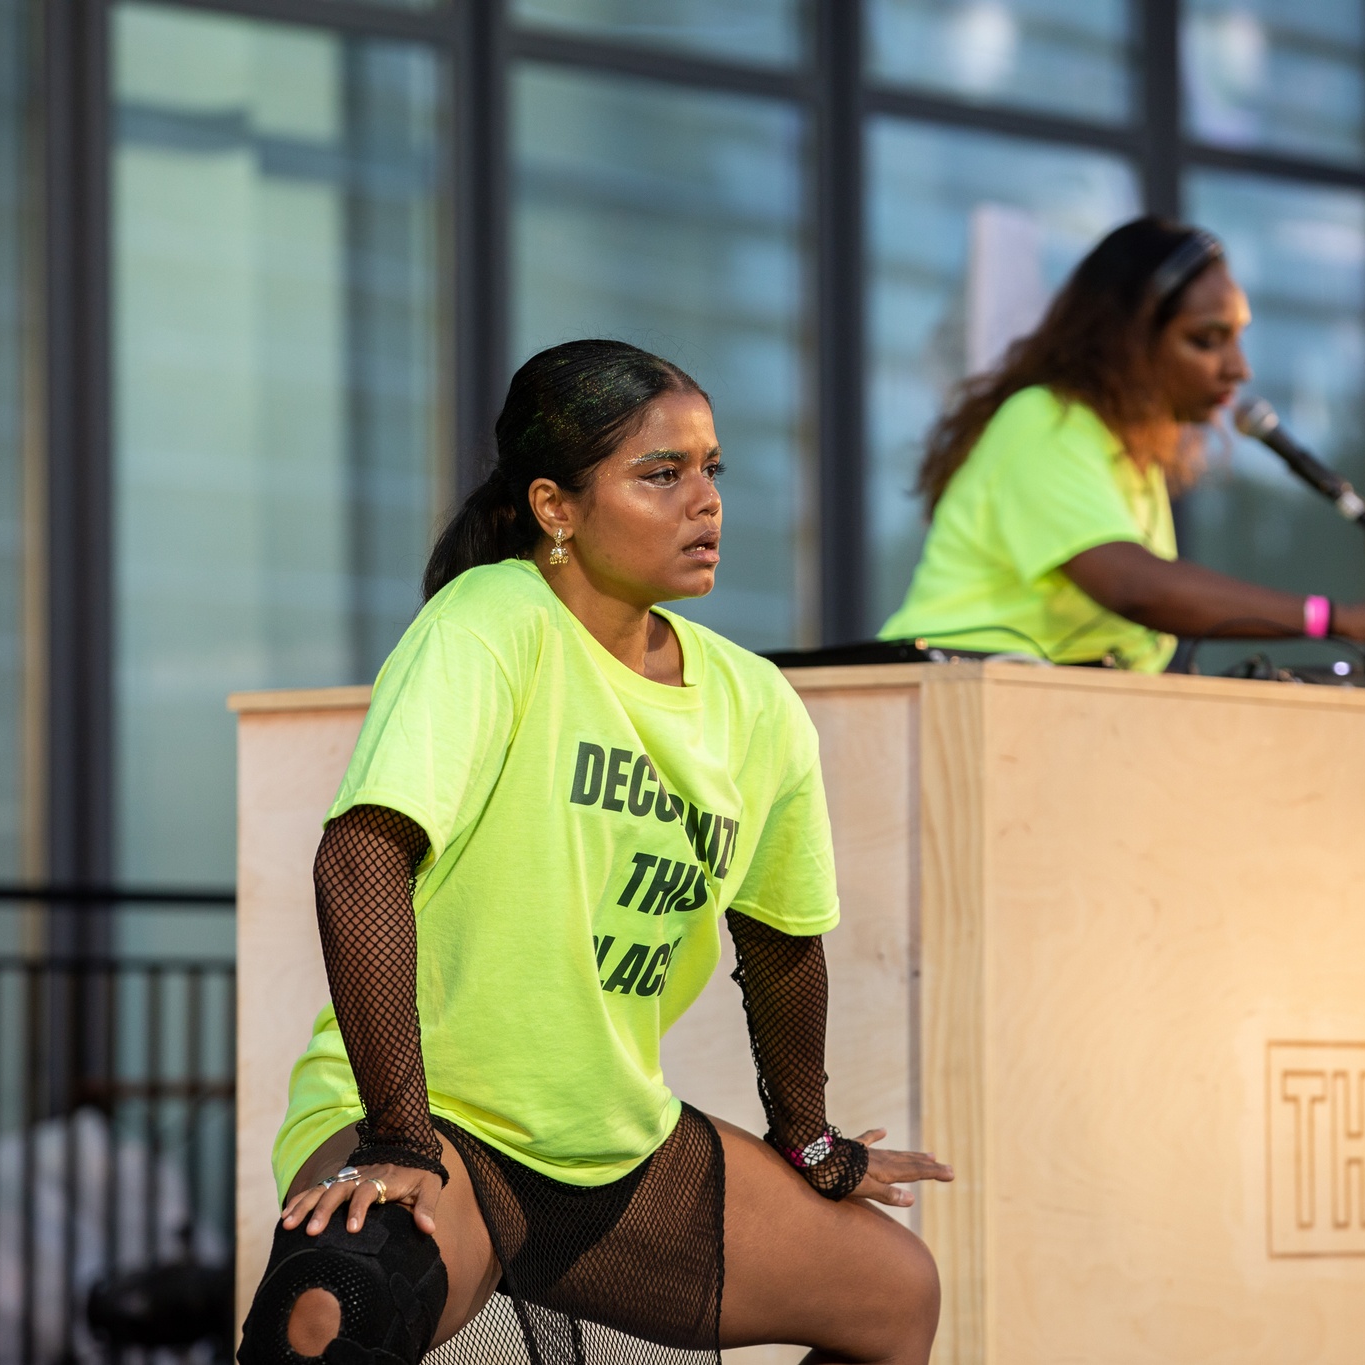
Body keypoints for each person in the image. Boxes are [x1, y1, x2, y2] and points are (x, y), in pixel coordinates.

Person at [238, 340, 953, 1365]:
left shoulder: (755, 705)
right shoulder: (491, 622)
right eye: (660, 474)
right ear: (554, 507)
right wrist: (398, 1135)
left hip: (613, 1145)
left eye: (711, 469)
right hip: (439, 1121)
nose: (703, 501)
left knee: (892, 1295)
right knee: (337, 1303)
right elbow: (359, 859)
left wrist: (806, 1134)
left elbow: (781, 943)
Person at [879, 215, 1365, 671]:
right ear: (1126, 340)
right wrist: (1335, 618)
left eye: (1238, 338)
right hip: (937, 707)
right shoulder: (1044, 422)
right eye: (1206, 340)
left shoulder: (1131, 458)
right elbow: (1134, 586)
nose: (1239, 368)